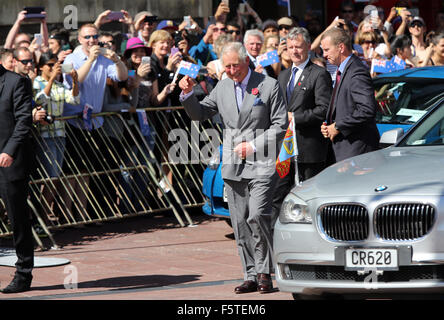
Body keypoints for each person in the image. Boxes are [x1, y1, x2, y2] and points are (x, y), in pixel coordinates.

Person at [179, 42, 287, 294]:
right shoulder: (224, 85)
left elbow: (280, 125)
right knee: (239, 221)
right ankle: (250, 274)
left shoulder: (268, 85)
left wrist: (254, 146)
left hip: (262, 161)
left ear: (246, 61)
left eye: (235, 66)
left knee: (257, 215)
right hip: (233, 164)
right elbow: (201, 113)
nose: (230, 70)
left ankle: (264, 272)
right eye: (226, 66)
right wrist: (187, 95)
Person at [273, 27, 332, 230]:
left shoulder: (319, 74)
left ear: (308, 46)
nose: (294, 51)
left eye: (298, 46)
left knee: (309, 200)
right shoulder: (283, 75)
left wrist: (295, 118)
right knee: (278, 195)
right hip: (286, 149)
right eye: (290, 47)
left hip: (309, 149)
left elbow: (324, 109)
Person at [320, 27, 380, 164]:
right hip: (344, 150)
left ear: (341, 47)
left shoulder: (357, 71)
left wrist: (337, 126)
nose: (324, 54)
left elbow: (366, 110)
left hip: (357, 153)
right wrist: (328, 126)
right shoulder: (344, 70)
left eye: (327, 49)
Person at [0, 64, 34, 294]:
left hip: (9, 161)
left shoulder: (15, 82)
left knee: (18, 219)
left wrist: (9, 150)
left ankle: (23, 273)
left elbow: (24, 120)